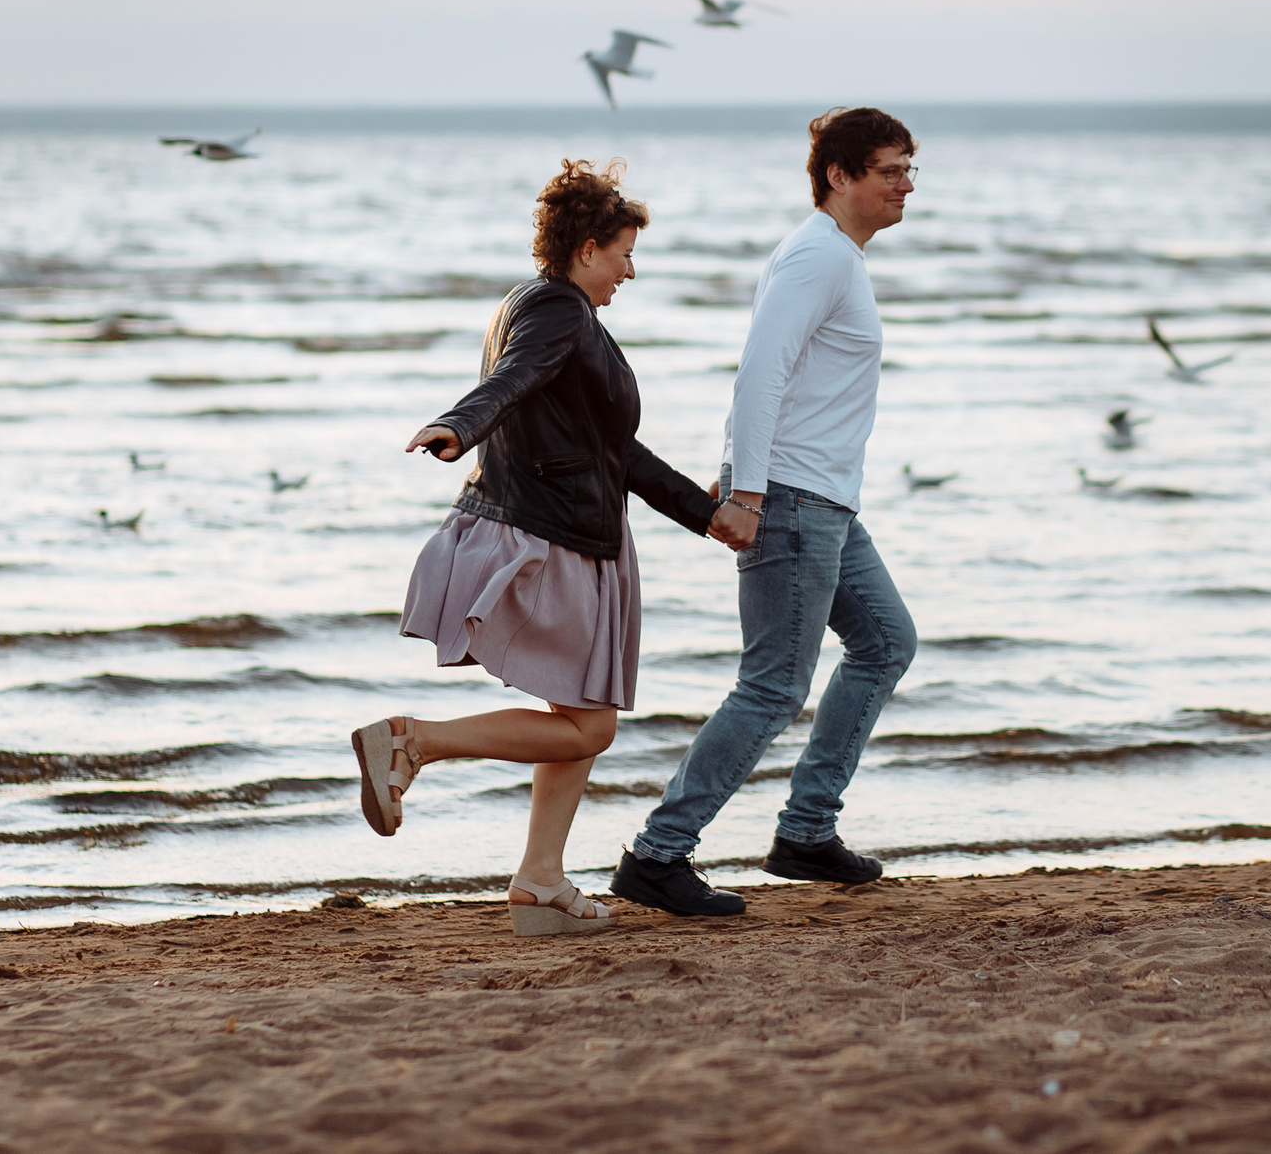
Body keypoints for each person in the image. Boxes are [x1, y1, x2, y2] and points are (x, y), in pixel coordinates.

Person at [353, 159, 751, 935]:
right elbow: (510, 380)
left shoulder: (543, 307)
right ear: (588, 248)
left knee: (577, 715)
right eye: (625, 253)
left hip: (565, 524)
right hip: (556, 536)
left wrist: (705, 515)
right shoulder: (556, 313)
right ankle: (413, 741)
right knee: (589, 725)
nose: (631, 272)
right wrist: (457, 423)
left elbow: (617, 451)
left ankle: (540, 878)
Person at [611, 107, 922, 917]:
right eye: (890, 170)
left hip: (824, 499)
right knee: (775, 686)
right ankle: (658, 853)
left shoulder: (836, 259)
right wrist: (746, 491)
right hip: (788, 497)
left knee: (886, 641)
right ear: (840, 176)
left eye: (909, 169)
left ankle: (806, 830)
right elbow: (760, 374)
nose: (906, 185)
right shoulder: (819, 256)